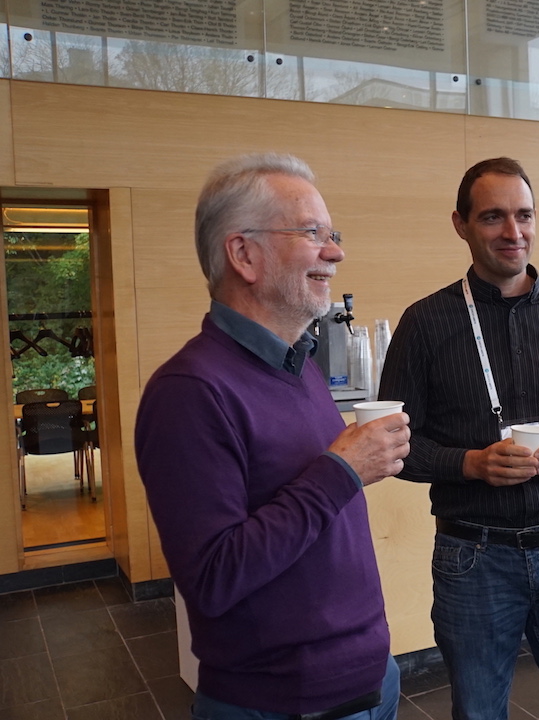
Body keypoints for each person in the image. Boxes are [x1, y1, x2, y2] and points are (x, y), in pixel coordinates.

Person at [135, 153, 410, 720]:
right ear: (244, 254)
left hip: (370, 685)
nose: (335, 252)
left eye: (332, 234)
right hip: (283, 705)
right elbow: (212, 578)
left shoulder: (300, 364)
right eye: (313, 234)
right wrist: (340, 473)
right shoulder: (189, 392)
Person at [377, 157, 539, 720]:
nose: (512, 233)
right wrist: (470, 463)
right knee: (479, 711)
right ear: (460, 224)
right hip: (474, 557)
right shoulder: (425, 323)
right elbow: (394, 444)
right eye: (493, 217)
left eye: (524, 215)